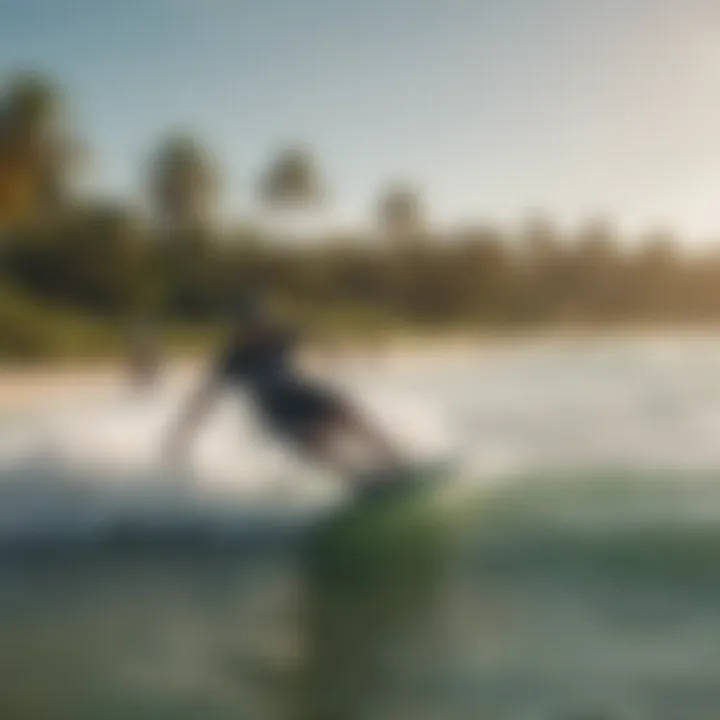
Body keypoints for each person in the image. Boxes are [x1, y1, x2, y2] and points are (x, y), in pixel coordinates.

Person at [164, 297, 403, 481]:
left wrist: (343, 351)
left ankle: (396, 463)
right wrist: (183, 435)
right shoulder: (234, 358)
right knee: (315, 441)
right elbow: (206, 397)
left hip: (300, 394)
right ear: (237, 327)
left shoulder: (278, 336)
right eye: (245, 326)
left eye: (256, 323)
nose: (252, 331)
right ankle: (360, 482)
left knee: (347, 412)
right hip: (274, 413)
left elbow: (315, 336)